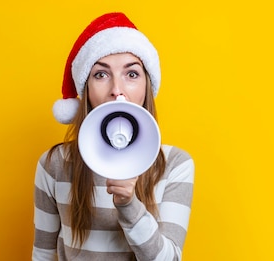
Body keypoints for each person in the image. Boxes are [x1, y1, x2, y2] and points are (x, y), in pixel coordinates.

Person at [32, 12, 194, 260]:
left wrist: (129, 205)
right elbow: (42, 254)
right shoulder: (54, 164)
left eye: (131, 74)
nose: (117, 90)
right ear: (86, 89)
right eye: (101, 74)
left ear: (146, 86)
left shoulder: (175, 164)